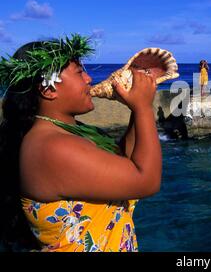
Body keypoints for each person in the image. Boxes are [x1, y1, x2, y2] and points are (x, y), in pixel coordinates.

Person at [0, 35, 162, 252]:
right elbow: (146, 181)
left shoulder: (71, 133)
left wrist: (136, 109)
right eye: (79, 72)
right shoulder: (51, 147)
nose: (88, 78)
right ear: (48, 90)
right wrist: (144, 108)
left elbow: (125, 165)